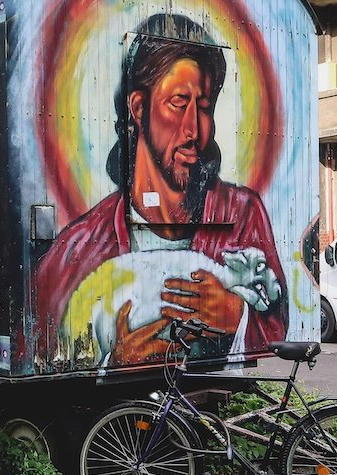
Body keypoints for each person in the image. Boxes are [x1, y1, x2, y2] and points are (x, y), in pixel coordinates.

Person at [34, 14, 288, 367]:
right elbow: (40, 351)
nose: (193, 130)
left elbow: (278, 329)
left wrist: (238, 316)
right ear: (139, 108)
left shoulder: (242, 214)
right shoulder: (80, 245)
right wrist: (115, 361)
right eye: (178, 103)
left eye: (204, 108)